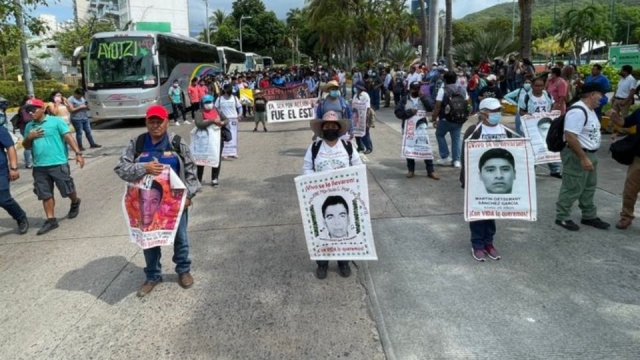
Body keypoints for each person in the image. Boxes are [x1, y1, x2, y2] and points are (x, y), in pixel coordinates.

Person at [114, 105, 200, 298]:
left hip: (175, 204)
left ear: (166, 122)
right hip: (146, 203)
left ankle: (183, 270)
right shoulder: (137, 143)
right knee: (149, 241)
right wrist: (144, 167)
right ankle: (152, 276)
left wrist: (189, 196)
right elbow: (121, 168)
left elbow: (192, 172)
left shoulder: (177, 142)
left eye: (159, 121)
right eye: (151, 121)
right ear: (146, 122)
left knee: (181, 239)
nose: (155, 125)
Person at [302, 111, 363, 279]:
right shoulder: (314, 148)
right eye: (326, 126)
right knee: (322, 230)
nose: (330, 128)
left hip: (344, 197)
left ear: (338, 128)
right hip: (320, 198)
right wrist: (315, 181)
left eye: (333, 126)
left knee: (343, 230)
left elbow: (358, 166)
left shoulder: (348, 146)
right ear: (322, 129)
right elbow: (307, 168)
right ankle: (322, 264)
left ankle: (344, 262)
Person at [459, 98, 516, 261]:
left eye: (498, 110)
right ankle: (477, 244)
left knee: (492, 211)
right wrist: (467, 180)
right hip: (477, 181)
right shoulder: (474, 130)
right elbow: (465, 157)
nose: (497, 113)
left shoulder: (506, 130)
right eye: (493, 111)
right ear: (483, 113)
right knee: (478, 212)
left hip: (497, 181)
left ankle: (488, 243)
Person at [22, 98, 85, 235]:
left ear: (42, 109)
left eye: (33, 109)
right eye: (28, 110)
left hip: (58, 163)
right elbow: (26, 146)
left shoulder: (56, 121)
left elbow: (68, 137)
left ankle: (74, 201)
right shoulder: (29, 127)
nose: (30, 113)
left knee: (67, 189)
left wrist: (78, 153)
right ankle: (51, 220)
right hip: (39, 166)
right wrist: (30, 137)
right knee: (45, 194)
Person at [555, 83, 610, 232]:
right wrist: (583, 157)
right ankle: (562, 217)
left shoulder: (590, 110)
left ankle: (589, 215)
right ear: (592, 94)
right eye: (601, 94)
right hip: (577, 154)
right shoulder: (578, 111)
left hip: (590, 154)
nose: (603, 98)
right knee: (572, 186)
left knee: (589, 187)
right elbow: (570, 136)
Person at [394, 81, 439, 180]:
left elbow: (431, 108)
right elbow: (398, 112)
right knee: (409, 148)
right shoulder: (405, 99)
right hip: (408, 128)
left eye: (418, 88)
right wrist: (410, 112)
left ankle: (430, 171)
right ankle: (411, 170)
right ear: (410, 90)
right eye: (414, 89)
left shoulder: (423, 98)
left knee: (426, 148)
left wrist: (423, 97)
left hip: (422, 128)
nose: (416, 91)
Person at [519, 77, 561, 178]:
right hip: (531, 127)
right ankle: (532, 169)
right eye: (536, 85)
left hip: (545, 125)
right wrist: (529, 116)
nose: (539, 88)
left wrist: (551, 115)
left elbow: (552, 107)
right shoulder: (526, 97)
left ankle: (555, 169)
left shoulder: (548, 96)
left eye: (541, 86)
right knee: (533, 148)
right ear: (532, 86)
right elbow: (521, 111)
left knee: (549, 147)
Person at [606, 107, 640, 229]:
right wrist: (614, 116)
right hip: (638, 160)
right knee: (630, 191)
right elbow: (624, 122)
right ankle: (626, 216)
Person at [432, 71, 467, 168]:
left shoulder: (443, 90)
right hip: (458, 119)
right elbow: (467, 104)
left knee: (439, 134)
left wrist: (434, 118)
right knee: (456, 139)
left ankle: (445, 156)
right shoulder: (462, 90)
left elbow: (438, 106)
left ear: (445, 80)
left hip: (445, 119)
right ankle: (456, 160)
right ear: (456, 79)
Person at [0, 123, 29, 234]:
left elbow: (10, 147)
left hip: (1, 171)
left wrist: (14, 168)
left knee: (3, 199)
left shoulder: (1, 130)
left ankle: (20, 216)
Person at [195, 94, 227, 186]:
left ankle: (214, 178)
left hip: (217, 139)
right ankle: (199, 180)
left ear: (213, 102)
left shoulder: (217, 110)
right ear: (203, 103)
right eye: (206, 102)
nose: (208, 104)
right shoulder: (199, 112)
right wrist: (213, 121)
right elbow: (199, 124)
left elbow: (226, 120)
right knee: (201, 160)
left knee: (216, 158)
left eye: (210, 102)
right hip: (203, 141)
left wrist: (222, 122)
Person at [606, 65, 637, 134]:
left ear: (626, 71)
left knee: (624, 115)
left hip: (624, 100)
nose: (621, 71)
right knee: (613, 114)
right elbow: (617, 88)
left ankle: (623, 130)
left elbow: (632, 91)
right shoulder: (622, 79)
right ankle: (609, 129)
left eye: (622, 70)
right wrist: (613, 97)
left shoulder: (632, 80)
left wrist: (626, 101)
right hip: (617, 99)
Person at [215, 84, 243, 159]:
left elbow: (239, 107)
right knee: (224, 136)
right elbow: (215, 108)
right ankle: (224, 153)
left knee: (234, 137)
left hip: (233, 120)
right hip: (224, 121)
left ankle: (233, 152)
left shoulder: (235, 98)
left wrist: (240, 115)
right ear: (224, 90)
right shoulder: (220, 99)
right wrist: (218, 117)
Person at [352, 81, 372, 154]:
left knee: (365, 132)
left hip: (364, 116)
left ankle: (369, 147)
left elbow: (368, 107)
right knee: (357, 132)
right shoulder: (355, 95)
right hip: (356, 116)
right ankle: (360, 146)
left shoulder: (365, 95)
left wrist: (367, 118)